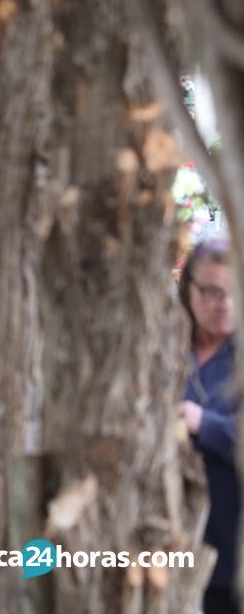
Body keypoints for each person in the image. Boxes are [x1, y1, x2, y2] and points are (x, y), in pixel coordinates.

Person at [180, 240, 239, 614]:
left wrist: (204, 423)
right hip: (167, 547)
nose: (225, 304)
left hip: (228, 549)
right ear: (188, 290)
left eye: (233, 292)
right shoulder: (165, 346)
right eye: (213, 292)